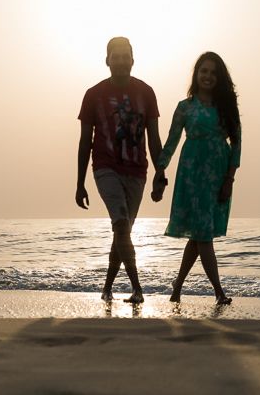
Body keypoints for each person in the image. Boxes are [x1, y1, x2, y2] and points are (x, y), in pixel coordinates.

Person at [76, 37, 166, 303]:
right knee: (121, 223)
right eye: (115, 56)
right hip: (105, 168)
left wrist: (160, 175)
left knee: (122, 230)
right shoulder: (93, 95)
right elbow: (84, 141)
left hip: (137, 171)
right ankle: (138, 289)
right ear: (107, 61)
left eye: (125, 56)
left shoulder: (146, 92)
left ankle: (106, 289)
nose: (121, 61)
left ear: (133, 60)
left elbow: (155, 138)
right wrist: (79, 183)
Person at [153, 52, 241, 305]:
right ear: (196, 74)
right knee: (203, 235)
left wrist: (229, 178)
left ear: (220, 77)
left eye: (213, 73)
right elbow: (171, 140)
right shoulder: (185, 107)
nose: (208, 76)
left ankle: (177, 287)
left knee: (199, 236)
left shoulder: (226, 107)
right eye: (204, 71)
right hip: (191, 174)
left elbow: (237, 143)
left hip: (217, 174)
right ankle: (219, 292)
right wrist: (160, 170)